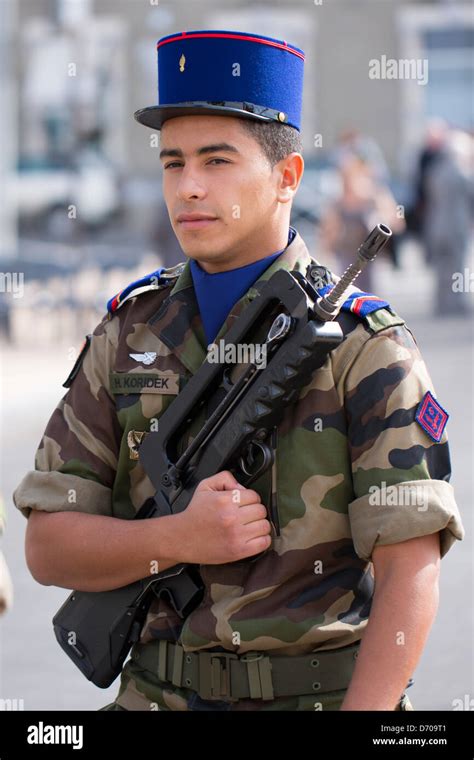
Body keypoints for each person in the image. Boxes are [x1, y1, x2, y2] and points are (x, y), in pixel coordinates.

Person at [14, 29, 464, 712]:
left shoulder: (365, 347)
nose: (189, 187)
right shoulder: (127, 332)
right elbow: (49, 548)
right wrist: (175, 539)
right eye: (173, 163)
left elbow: (411, 571)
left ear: (287, 176)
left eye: (217, 161)